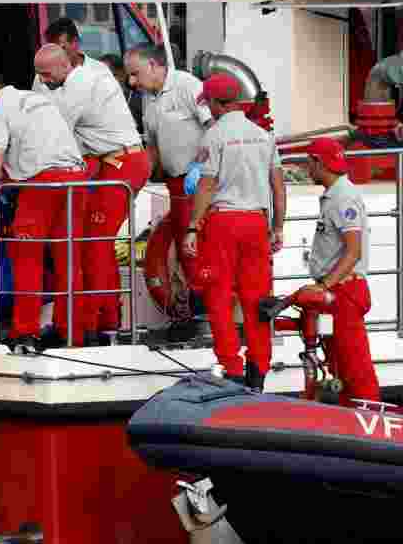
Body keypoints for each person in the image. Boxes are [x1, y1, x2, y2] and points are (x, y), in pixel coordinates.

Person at [34, 44, 150, 345]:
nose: (42, 80)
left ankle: (104, 325)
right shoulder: (67, 83)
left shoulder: (82, 85)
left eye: (46, 75)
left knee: (96, 244)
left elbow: (54, 129)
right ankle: (93, 321)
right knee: (90, 244)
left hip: (121, 162)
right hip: (109, 163)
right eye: (39, 76)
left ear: (64, 66)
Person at [0, 65, 89, 348]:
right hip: (77, 179)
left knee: (26, 258)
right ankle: (72, 331)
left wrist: (1, 188)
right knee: (69, 260)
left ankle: (24, 331)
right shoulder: (39, 99)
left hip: (42, 183)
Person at [182, 74, 286, 390]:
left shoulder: (214, 137)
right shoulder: (263, 136)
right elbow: (278, 187)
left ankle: (232, 368)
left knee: (218, 297)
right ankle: (259, 370)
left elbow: (207, 184)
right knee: (257, 301)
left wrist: (191, 226)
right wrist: (278, 227)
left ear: (215, 103)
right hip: (257, 223)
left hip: (223, 223)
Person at [125, 43, 213, 304]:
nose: (131, 81)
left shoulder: (188, 86)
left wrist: (201, 166)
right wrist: (137, 182)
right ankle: (198, 306)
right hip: (174, 184)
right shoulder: (146, 97)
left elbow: (215, 127)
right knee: (184, 246)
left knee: (196, 245)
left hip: (201, 181)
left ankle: (209, 306)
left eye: (135, 73)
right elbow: (152, 146)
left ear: (153, 66)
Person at [299, 137, 380, 405]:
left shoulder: (343, 198)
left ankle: (370, 419)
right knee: (340, 363)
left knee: (354, 364)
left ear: (319, 163)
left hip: (344, 290)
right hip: (338, 290)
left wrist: (324, 286)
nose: (306, 168)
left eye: (308, 162)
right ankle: (350, 412)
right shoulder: (335, 196)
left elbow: (353, 250)